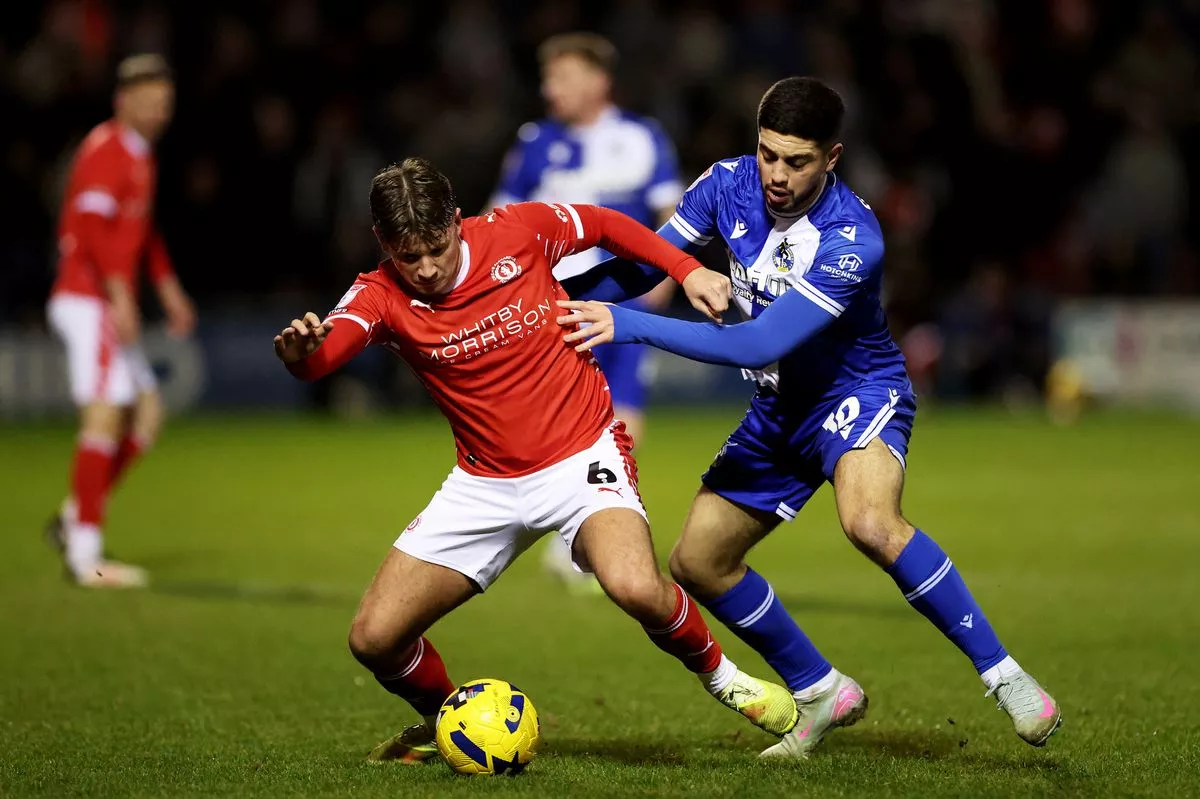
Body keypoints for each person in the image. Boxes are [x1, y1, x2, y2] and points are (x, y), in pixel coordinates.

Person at [557, 77, 1062, 757]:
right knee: (699, 562)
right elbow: (643, 266)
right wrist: (547, 300)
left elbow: (757, 341)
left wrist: (630, 326)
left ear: (832, 158)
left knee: (869, 521)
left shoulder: (853, 238)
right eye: (768, 154)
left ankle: (1005, 676)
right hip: (779, 408)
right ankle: (820, 689)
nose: (777, 174)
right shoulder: (724, 185)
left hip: (854, 391)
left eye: (797, 161)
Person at [274, 158, 797, 763]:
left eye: (435, 248)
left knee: (633, 585)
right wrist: (302, 356)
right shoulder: (379, 293)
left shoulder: (517, 231)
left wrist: (683, 268)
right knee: (374, 638)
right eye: (406, 255)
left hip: (581, 453)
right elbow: (324, 353)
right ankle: (448, 719)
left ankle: (725, 679)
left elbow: (604, 224)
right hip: (484, 482)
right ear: (383, 244)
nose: (425, 268)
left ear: (456, 223)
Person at [489, 32, 682, 588]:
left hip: (621, 295)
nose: (552, 89)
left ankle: (593, 531)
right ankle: (572, 529)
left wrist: (668, 268)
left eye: (565, 77)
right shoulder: (534, 141)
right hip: (550, 301)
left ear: (599, 81)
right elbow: (498, 216)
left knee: (626, 418)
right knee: (551, 416)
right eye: (549, 79)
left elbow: (673, 207)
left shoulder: (642, 138)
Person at [45, 54, 197, 588]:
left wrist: (168, 287)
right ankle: (86, 557)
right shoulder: (106, 150)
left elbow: (140, 233)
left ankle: (73, 516)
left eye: (165, 104)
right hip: (87, 298)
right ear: (123, 102)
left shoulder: (139, 156)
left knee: (147, 417)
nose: (159, 113)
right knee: (105, 416)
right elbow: (91, 227)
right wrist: (118, 295)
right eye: (151, 103)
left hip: (102, 298)